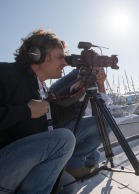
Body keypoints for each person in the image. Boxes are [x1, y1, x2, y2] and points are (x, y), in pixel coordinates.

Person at [0, 29, 76, 194]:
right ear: (37, 55)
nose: (65, 63)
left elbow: (54, 118)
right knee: (63, 139)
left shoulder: (40, 88)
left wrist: (82, 90)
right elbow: (27, 113)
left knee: (67, 185)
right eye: (60, 57)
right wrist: (25, 111)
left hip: (22, 164)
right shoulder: (5, 73)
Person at [49, 64, 112, 182]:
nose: (101, 72)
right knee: (106, 122)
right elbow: (103, 116)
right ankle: (74, 166)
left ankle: (70, 162)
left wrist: (100, 84)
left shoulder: (83, 79)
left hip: (70, 127)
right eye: (99, 68)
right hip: (60, 130)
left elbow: (99, 110)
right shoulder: (77, 79)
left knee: (95, 157)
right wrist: (97, 84)